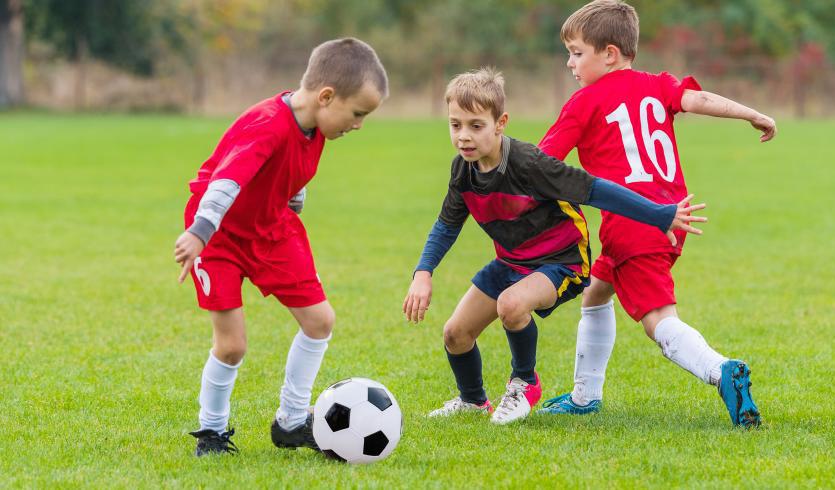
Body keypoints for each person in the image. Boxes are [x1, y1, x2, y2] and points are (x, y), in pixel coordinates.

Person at [402, 67, 706, 425]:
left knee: (511, 305)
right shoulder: (463, 171)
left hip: (562, 261)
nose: (464, 137)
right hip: (513, 261)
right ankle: (472, 400)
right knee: (455, 334)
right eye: (456, 125)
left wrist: (658, 214)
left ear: (501, 123)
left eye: (475, 125)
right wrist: (423, 272)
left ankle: (524, 383)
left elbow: (596, 190)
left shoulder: (528, 164)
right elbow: (447, 224)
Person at [535, 0, 776, 428]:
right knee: (595, 293)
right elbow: (698, 98)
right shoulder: (657, 83)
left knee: (659, 321)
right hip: (671, 215)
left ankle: (720, 371)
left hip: (634, 223)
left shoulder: (584, 102)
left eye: (576, 52)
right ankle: (585, 395)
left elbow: (541, 163)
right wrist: (751, 113)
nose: (569, 63)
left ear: (609, 53)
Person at [173, 38, 387, 456]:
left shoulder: (316, 125)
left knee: (320, 321)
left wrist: (294, 197)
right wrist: (200, 232)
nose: (359, 124)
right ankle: (211, 432)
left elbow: (291, 170)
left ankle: (291, 421)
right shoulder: (267, 123)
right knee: (232, 345)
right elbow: (227, 181)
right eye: (358, 113)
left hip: (272, 229)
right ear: (326, 96)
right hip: (220, 234)